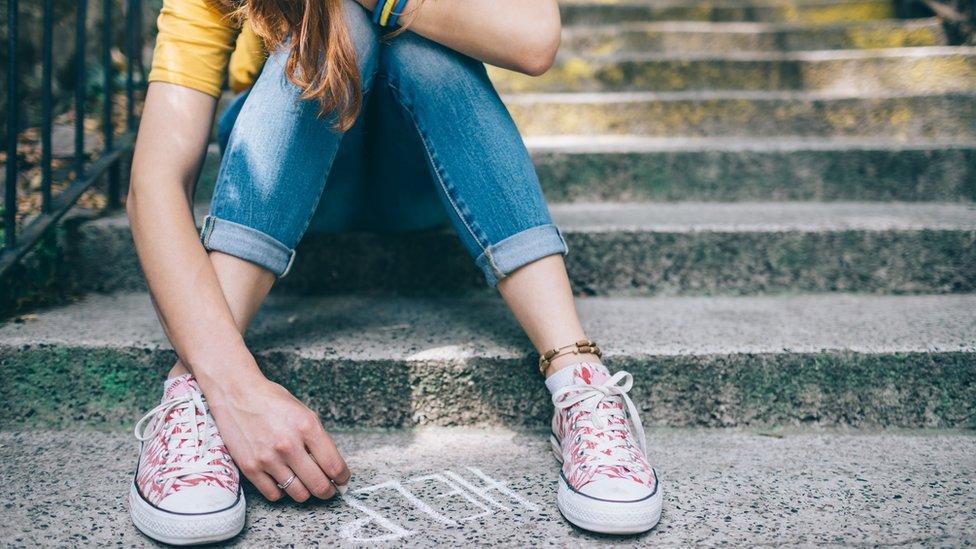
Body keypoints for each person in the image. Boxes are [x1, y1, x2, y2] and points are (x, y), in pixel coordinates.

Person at [126, 0, 661, 544]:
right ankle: (196, 388)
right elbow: (154, 182)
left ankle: (578, 378)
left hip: (430, 176)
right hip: (302, 179)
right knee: (338, 26)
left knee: (412, 35)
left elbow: (535, 39)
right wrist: (235, 385)